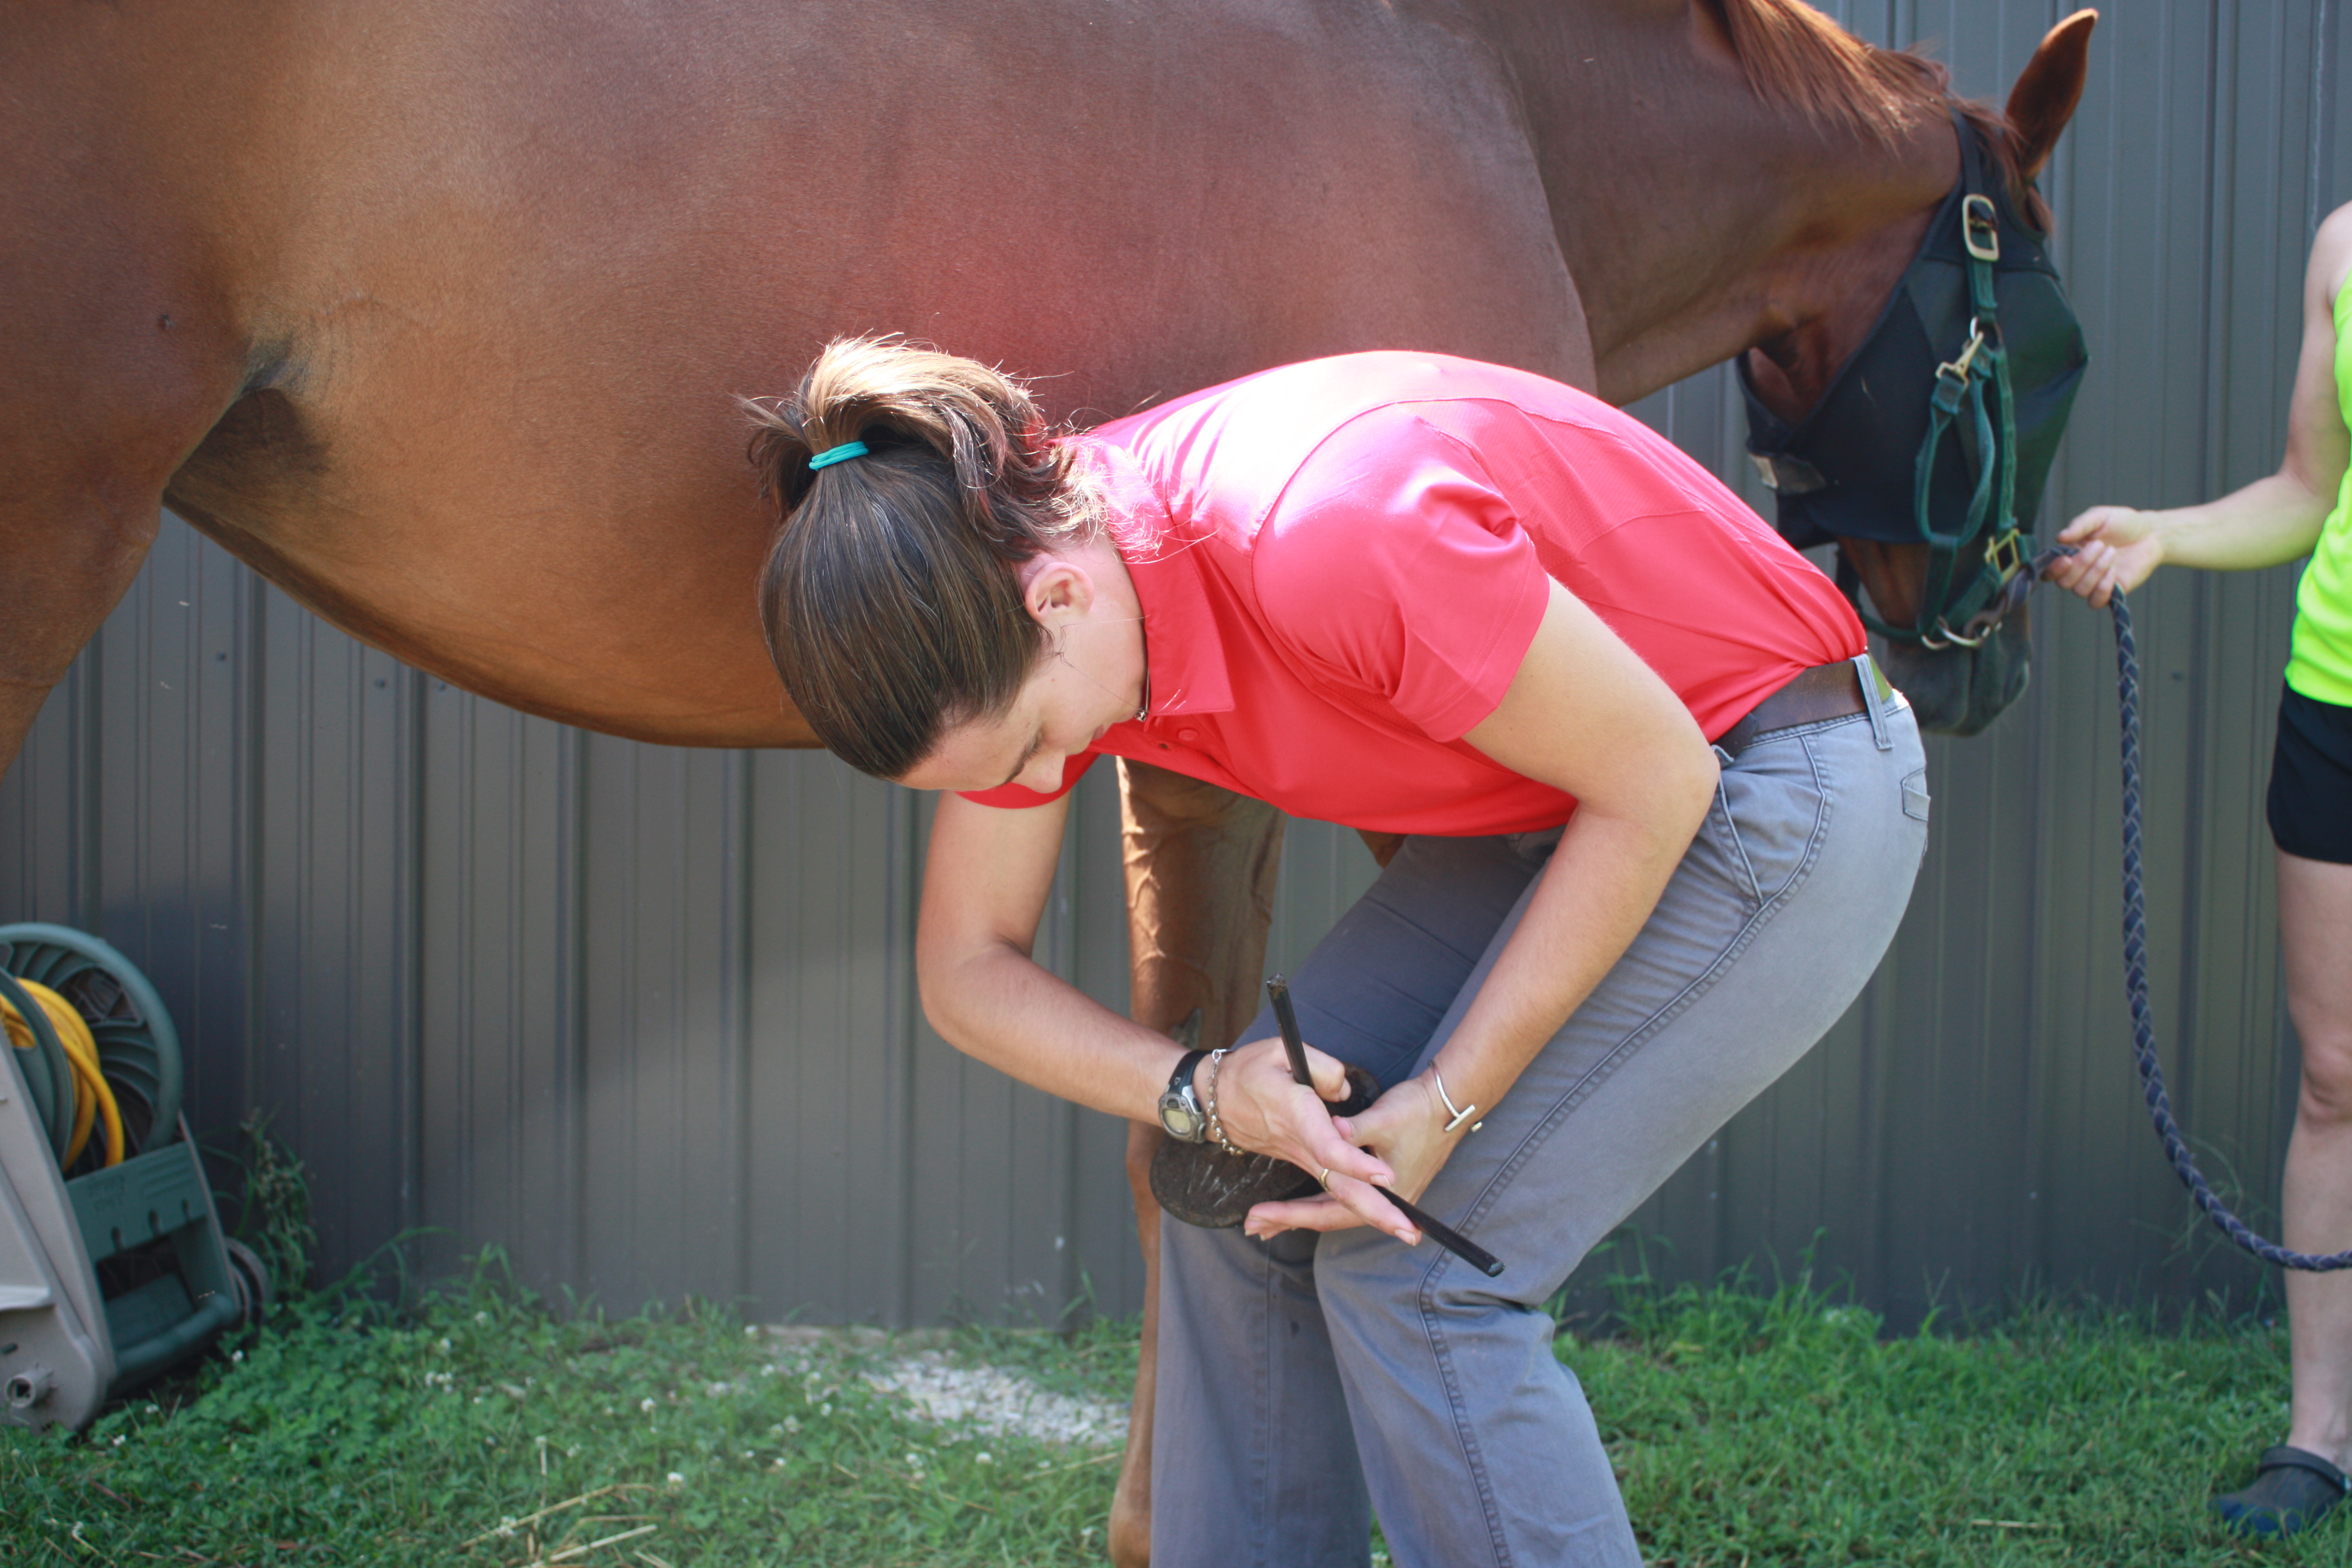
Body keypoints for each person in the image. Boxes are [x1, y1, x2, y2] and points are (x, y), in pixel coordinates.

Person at [747, 337, 1929, 1565]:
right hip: (1563, 805)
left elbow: (1657, 778)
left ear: (1056, 597)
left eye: (1034, 746)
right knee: (1228, 1188)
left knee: (1418, 1279)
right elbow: (966, 970)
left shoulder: (1317, 535)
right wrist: (1206, 1094)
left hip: (1767, 783)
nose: (1047, 782)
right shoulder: (1029, 596)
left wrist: (1447, 1098)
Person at [2049, 202, 2352, 1540]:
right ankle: (2320, 1436)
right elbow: (2306, 486)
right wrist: (2167, 530)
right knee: (2339, 1074)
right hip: (2335, 697)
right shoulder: (2345, 244)